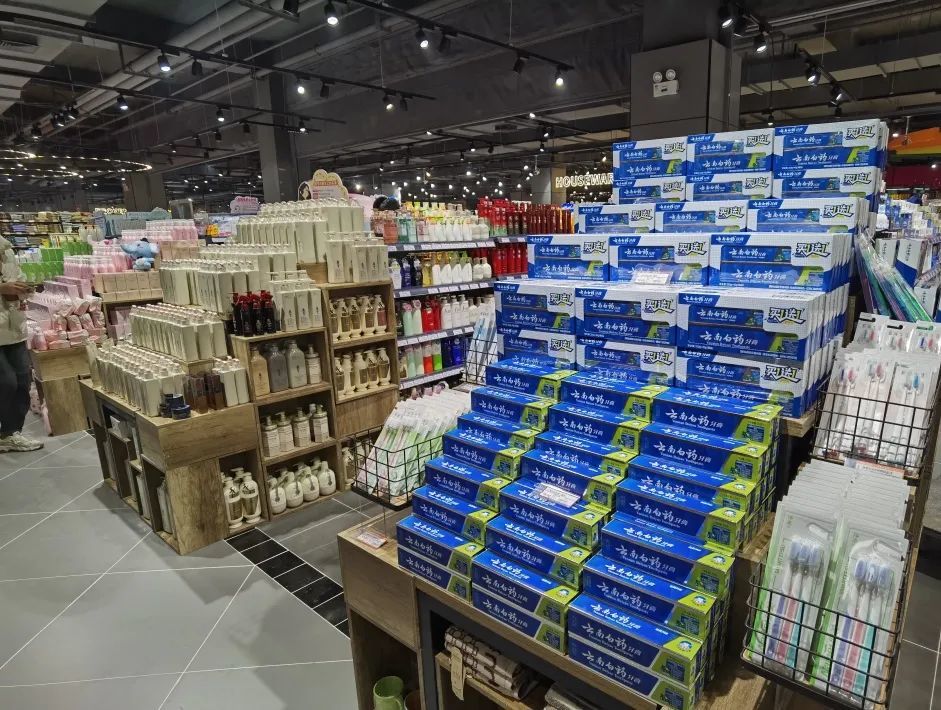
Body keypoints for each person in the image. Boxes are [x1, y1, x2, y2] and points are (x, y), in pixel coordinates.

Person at [0, 236, 41, 452]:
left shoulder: (7, 250)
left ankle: (10, 432)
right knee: (6, 382)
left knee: (23, 379)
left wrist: (23, 290)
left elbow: (18, 277)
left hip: (14, 327)